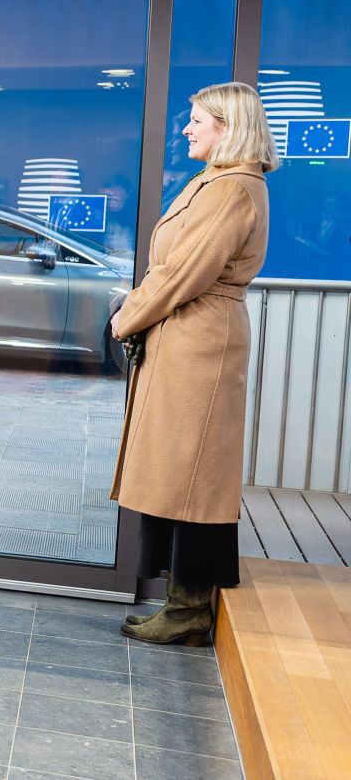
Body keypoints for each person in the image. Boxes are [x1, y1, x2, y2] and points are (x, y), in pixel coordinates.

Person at [110, 82, 274, 647]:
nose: (187, 129)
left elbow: (186, 273)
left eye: (198, 120)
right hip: (186, 335)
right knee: (179, 470)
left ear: (229, 127)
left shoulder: (232, 189)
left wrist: (126, 316)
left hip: (199, 338)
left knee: (192, 474)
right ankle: (181, 603)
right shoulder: (218, 182)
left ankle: (188, 609)